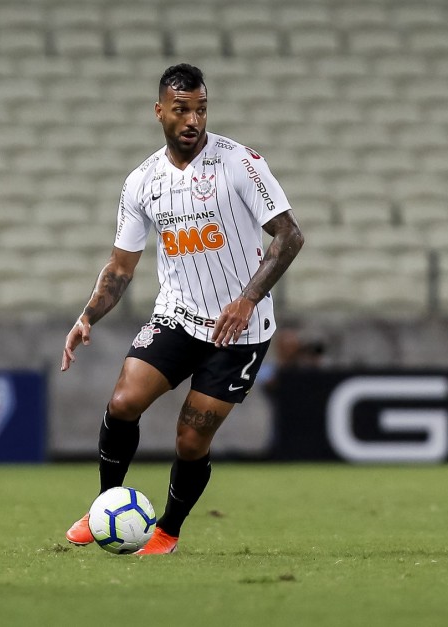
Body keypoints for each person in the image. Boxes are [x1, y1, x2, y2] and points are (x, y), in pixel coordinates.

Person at [60, 64, 304, 555]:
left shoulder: (240, 163)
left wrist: (248, 298)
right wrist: (88, 315)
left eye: (201, 108)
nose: (193, 119)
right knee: (124, 402)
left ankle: (168, 531)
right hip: (178, 315)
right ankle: (107, 505)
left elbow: (289, 236)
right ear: (160, 113)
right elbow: (121, 267)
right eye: (181, 109)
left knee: (190, 441)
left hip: (242, 329)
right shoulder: (142, 182)